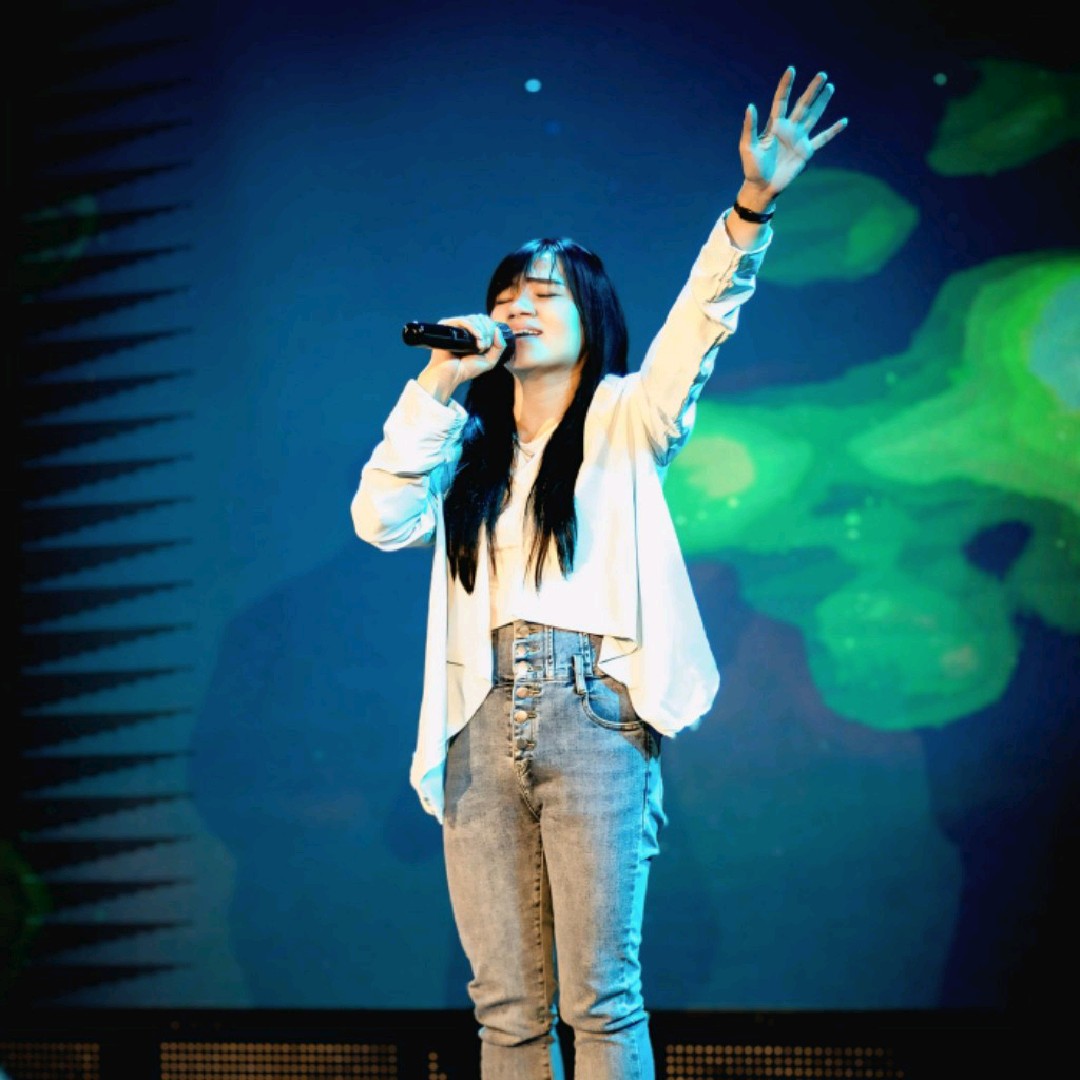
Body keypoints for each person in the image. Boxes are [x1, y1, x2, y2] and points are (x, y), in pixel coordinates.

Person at [352, 66, 847, 1080]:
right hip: (479, 715)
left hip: (593, 710)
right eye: (506, 297)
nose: (518, 309)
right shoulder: (463, 449)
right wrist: (440, 378)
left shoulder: (627, 416)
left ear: (590, 316)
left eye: (544, 295)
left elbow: (702, 323)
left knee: (600, 998)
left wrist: (752, 206)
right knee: (504, 1009)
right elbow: (378, 520)